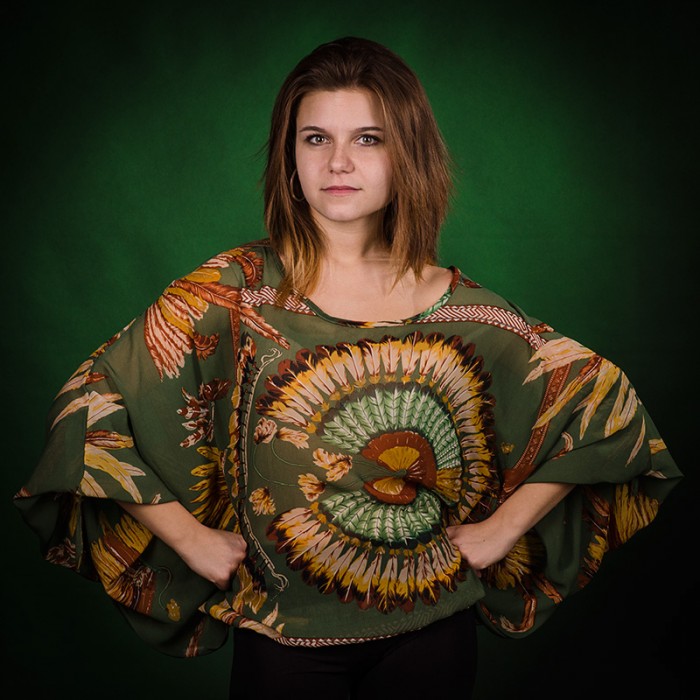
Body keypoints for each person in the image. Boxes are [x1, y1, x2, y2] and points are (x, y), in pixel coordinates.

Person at [14, 36, 681, 699]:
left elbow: (603, 405)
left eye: (368, 139)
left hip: (433, 633)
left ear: (407, 154)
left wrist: (500, 532)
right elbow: (88, 408)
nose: (338, 161)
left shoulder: (469, 311)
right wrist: (189, 539)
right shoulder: (235, 292)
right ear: (290, 156)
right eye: (315, 138)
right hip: (283, 639)